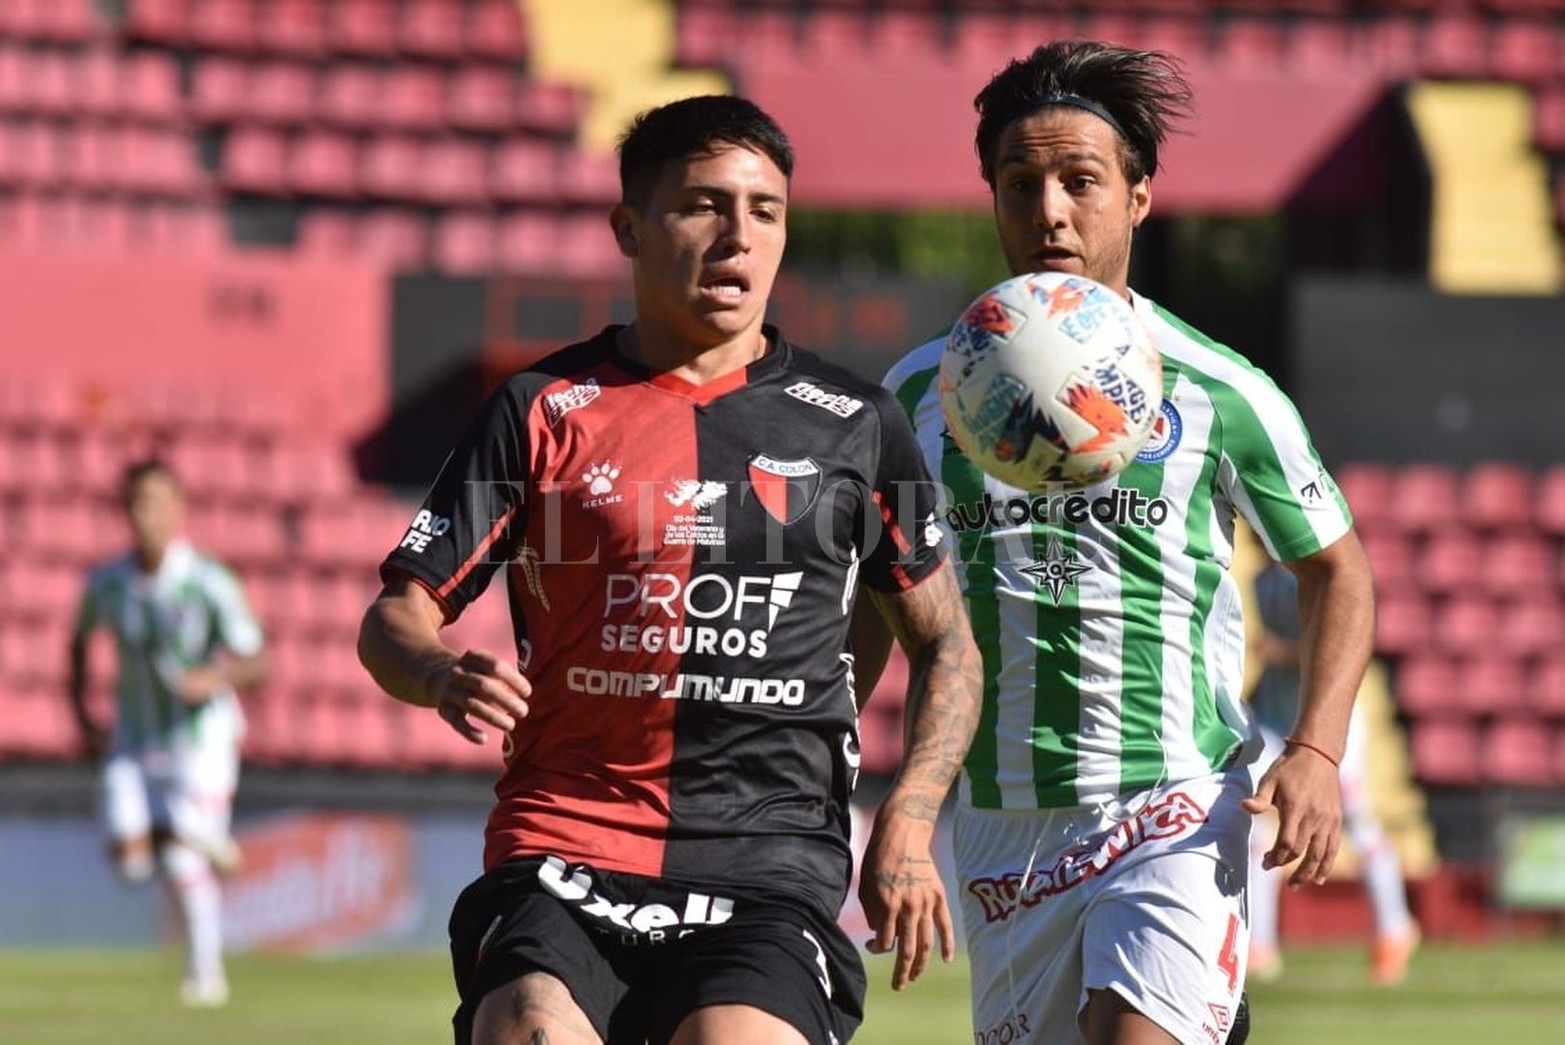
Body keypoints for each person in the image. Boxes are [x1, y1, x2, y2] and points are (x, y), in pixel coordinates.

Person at [357, 94, 982, 1045]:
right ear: (628, 229)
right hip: (565, 839)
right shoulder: (539, 408)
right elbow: (394, 616)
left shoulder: (855, 424)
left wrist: (908, 815)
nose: (738, 235)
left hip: (769, 857)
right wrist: (439, 669)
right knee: (527, 1025)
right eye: (702, 205)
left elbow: (947, 645)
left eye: (764, 210)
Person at [853, 41, 1376, 1045]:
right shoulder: (918, 395)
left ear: (1137, 198)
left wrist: (1313, 746)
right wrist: (859, 787)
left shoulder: (1219, 387)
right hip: (1000, 825)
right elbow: (875, 603)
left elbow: (1335, 568)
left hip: (1171, 800)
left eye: (1079, 180)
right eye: (1019, 183)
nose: (1048, 207)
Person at [68, 458, 268, 1008]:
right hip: (133, 739)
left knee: (180, 868)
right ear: (124, 511)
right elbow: (79, 643)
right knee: (132, 868)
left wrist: (215, 676)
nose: (145, 515)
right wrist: (83, 713)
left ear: (178, 509)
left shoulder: (207, 580)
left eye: (156, 502)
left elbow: (256, 659)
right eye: (136, 503)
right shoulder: (106, 583)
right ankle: (195, 833)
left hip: (201, 738)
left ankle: (206, 976)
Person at [1245, 551, 1418, 986]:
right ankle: (1258, 946)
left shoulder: (1306, 576)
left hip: (1326, 719)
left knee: (1358, 820)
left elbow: (1333, 643)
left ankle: (1395, 929)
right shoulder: (1262, 580)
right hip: (1272, 719)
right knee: (1251, 821)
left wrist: (1280, 652)